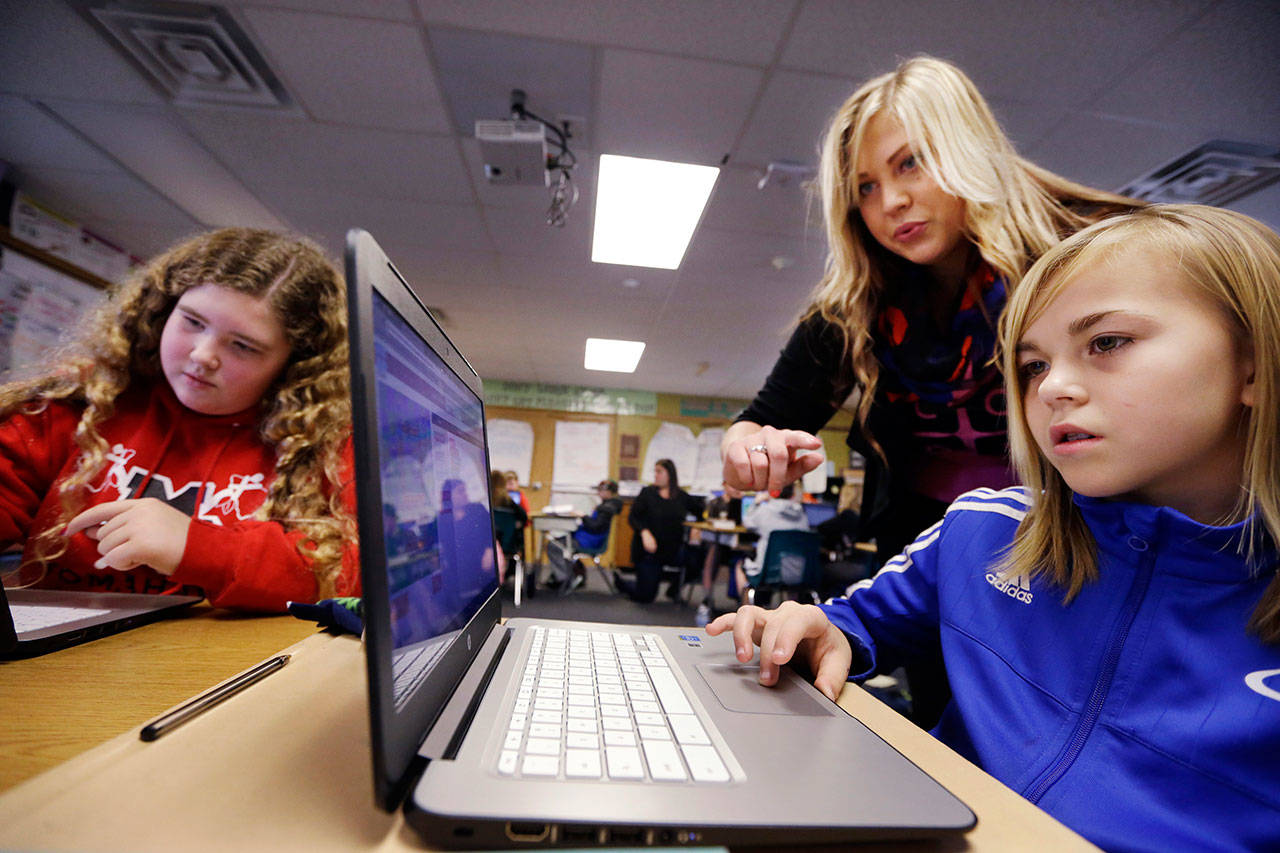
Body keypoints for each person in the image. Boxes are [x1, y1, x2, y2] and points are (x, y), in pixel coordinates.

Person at [708, 205, 1280, 851]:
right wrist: (816, 629)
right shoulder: (985, 531)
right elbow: (852, 623)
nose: (1054, 387)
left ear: (1253, 362)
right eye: (1033, 365)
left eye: (1107, 342)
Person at [721, 55, 1138, 724]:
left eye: (910, 163)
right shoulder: (858, 302)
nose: (890, 202)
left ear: (963, 148)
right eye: (864, 188)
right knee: (955, 722)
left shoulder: (1077, 254)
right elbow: (758, 419)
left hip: (1074, 536)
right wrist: (752, 446)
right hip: (936, 553)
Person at [0, 227, 358, 611]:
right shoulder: (76, 402)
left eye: (242, 346)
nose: (203, 355)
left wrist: (196, 548)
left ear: (294, 364)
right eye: (192, 322)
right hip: (68, 661)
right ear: (162, 311)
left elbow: (358, 575)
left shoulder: (325, 441)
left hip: (224, 664)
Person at [614, 459, 703, 603]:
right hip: (649, 552)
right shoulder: (647, 493)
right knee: (645, 597)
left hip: (672, 549)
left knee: (697, 560)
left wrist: (696, 527)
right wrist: (644, 532)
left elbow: (700, 511)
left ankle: (673, 589)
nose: (656, 475)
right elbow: (633, 517)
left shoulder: (681, 496)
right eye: (655, 471)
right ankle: (624, 584)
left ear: (670, 474)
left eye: (659, 471)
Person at [490, 469, 527, 586]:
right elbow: (524, 518)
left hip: (489, 546)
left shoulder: (486, 501)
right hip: (508, 545)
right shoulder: (509, 501)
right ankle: (510, 574)